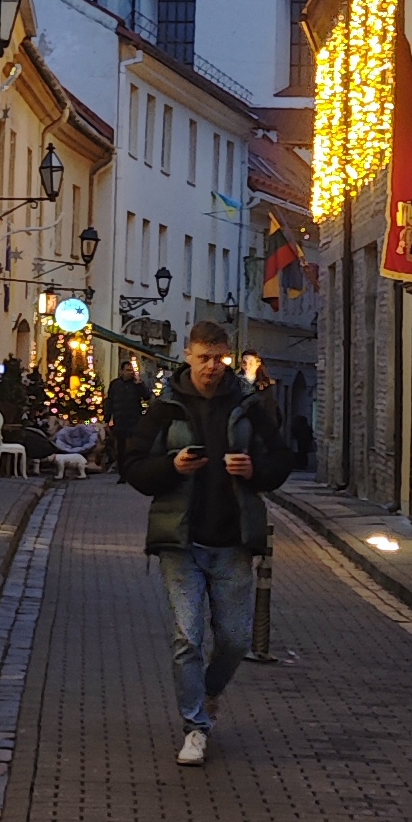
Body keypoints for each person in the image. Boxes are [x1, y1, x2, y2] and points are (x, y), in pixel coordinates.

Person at [123, 316, 289, 766]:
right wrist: (171, 466)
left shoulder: (251, 406)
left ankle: (209, 692)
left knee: (235, 640)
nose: (212, 367)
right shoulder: (166, 408)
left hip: (233, 541)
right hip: (181, 540)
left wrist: (257, 470)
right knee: (188, 638)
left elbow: (283, 458)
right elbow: (133, 466)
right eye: (203, 359)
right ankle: (195, 727)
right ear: (188, 356)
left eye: (219, 359)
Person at [101, 350, 152, 474]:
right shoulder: (115, 384)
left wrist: (140, 385)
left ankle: (132, 470)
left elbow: (146, 397)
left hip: (134, 420)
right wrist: (107, 419)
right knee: (120, 448)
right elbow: (110, 401)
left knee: (132, 447)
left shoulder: (136, 384)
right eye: (128, 370)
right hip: (120, 420)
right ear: (121, 371)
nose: (130, 373)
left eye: (131, 370)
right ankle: (122, 472)